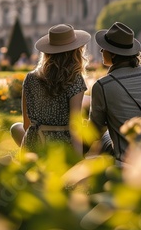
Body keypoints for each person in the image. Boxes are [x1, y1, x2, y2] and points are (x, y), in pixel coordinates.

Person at [89, 22, 141, 162]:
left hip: (128, 157)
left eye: (104, 48)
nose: (101, 51)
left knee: (105, 136)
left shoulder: (102, 85)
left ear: (114, 54)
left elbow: (94, 131)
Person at [10, 24, 91, 155]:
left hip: (34, 145)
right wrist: (77, 160)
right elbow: (74, 125)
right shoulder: (74, 79)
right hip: (60, 148)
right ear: (76, 52)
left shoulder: (30, 78)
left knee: (16, 127)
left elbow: (26, 124)